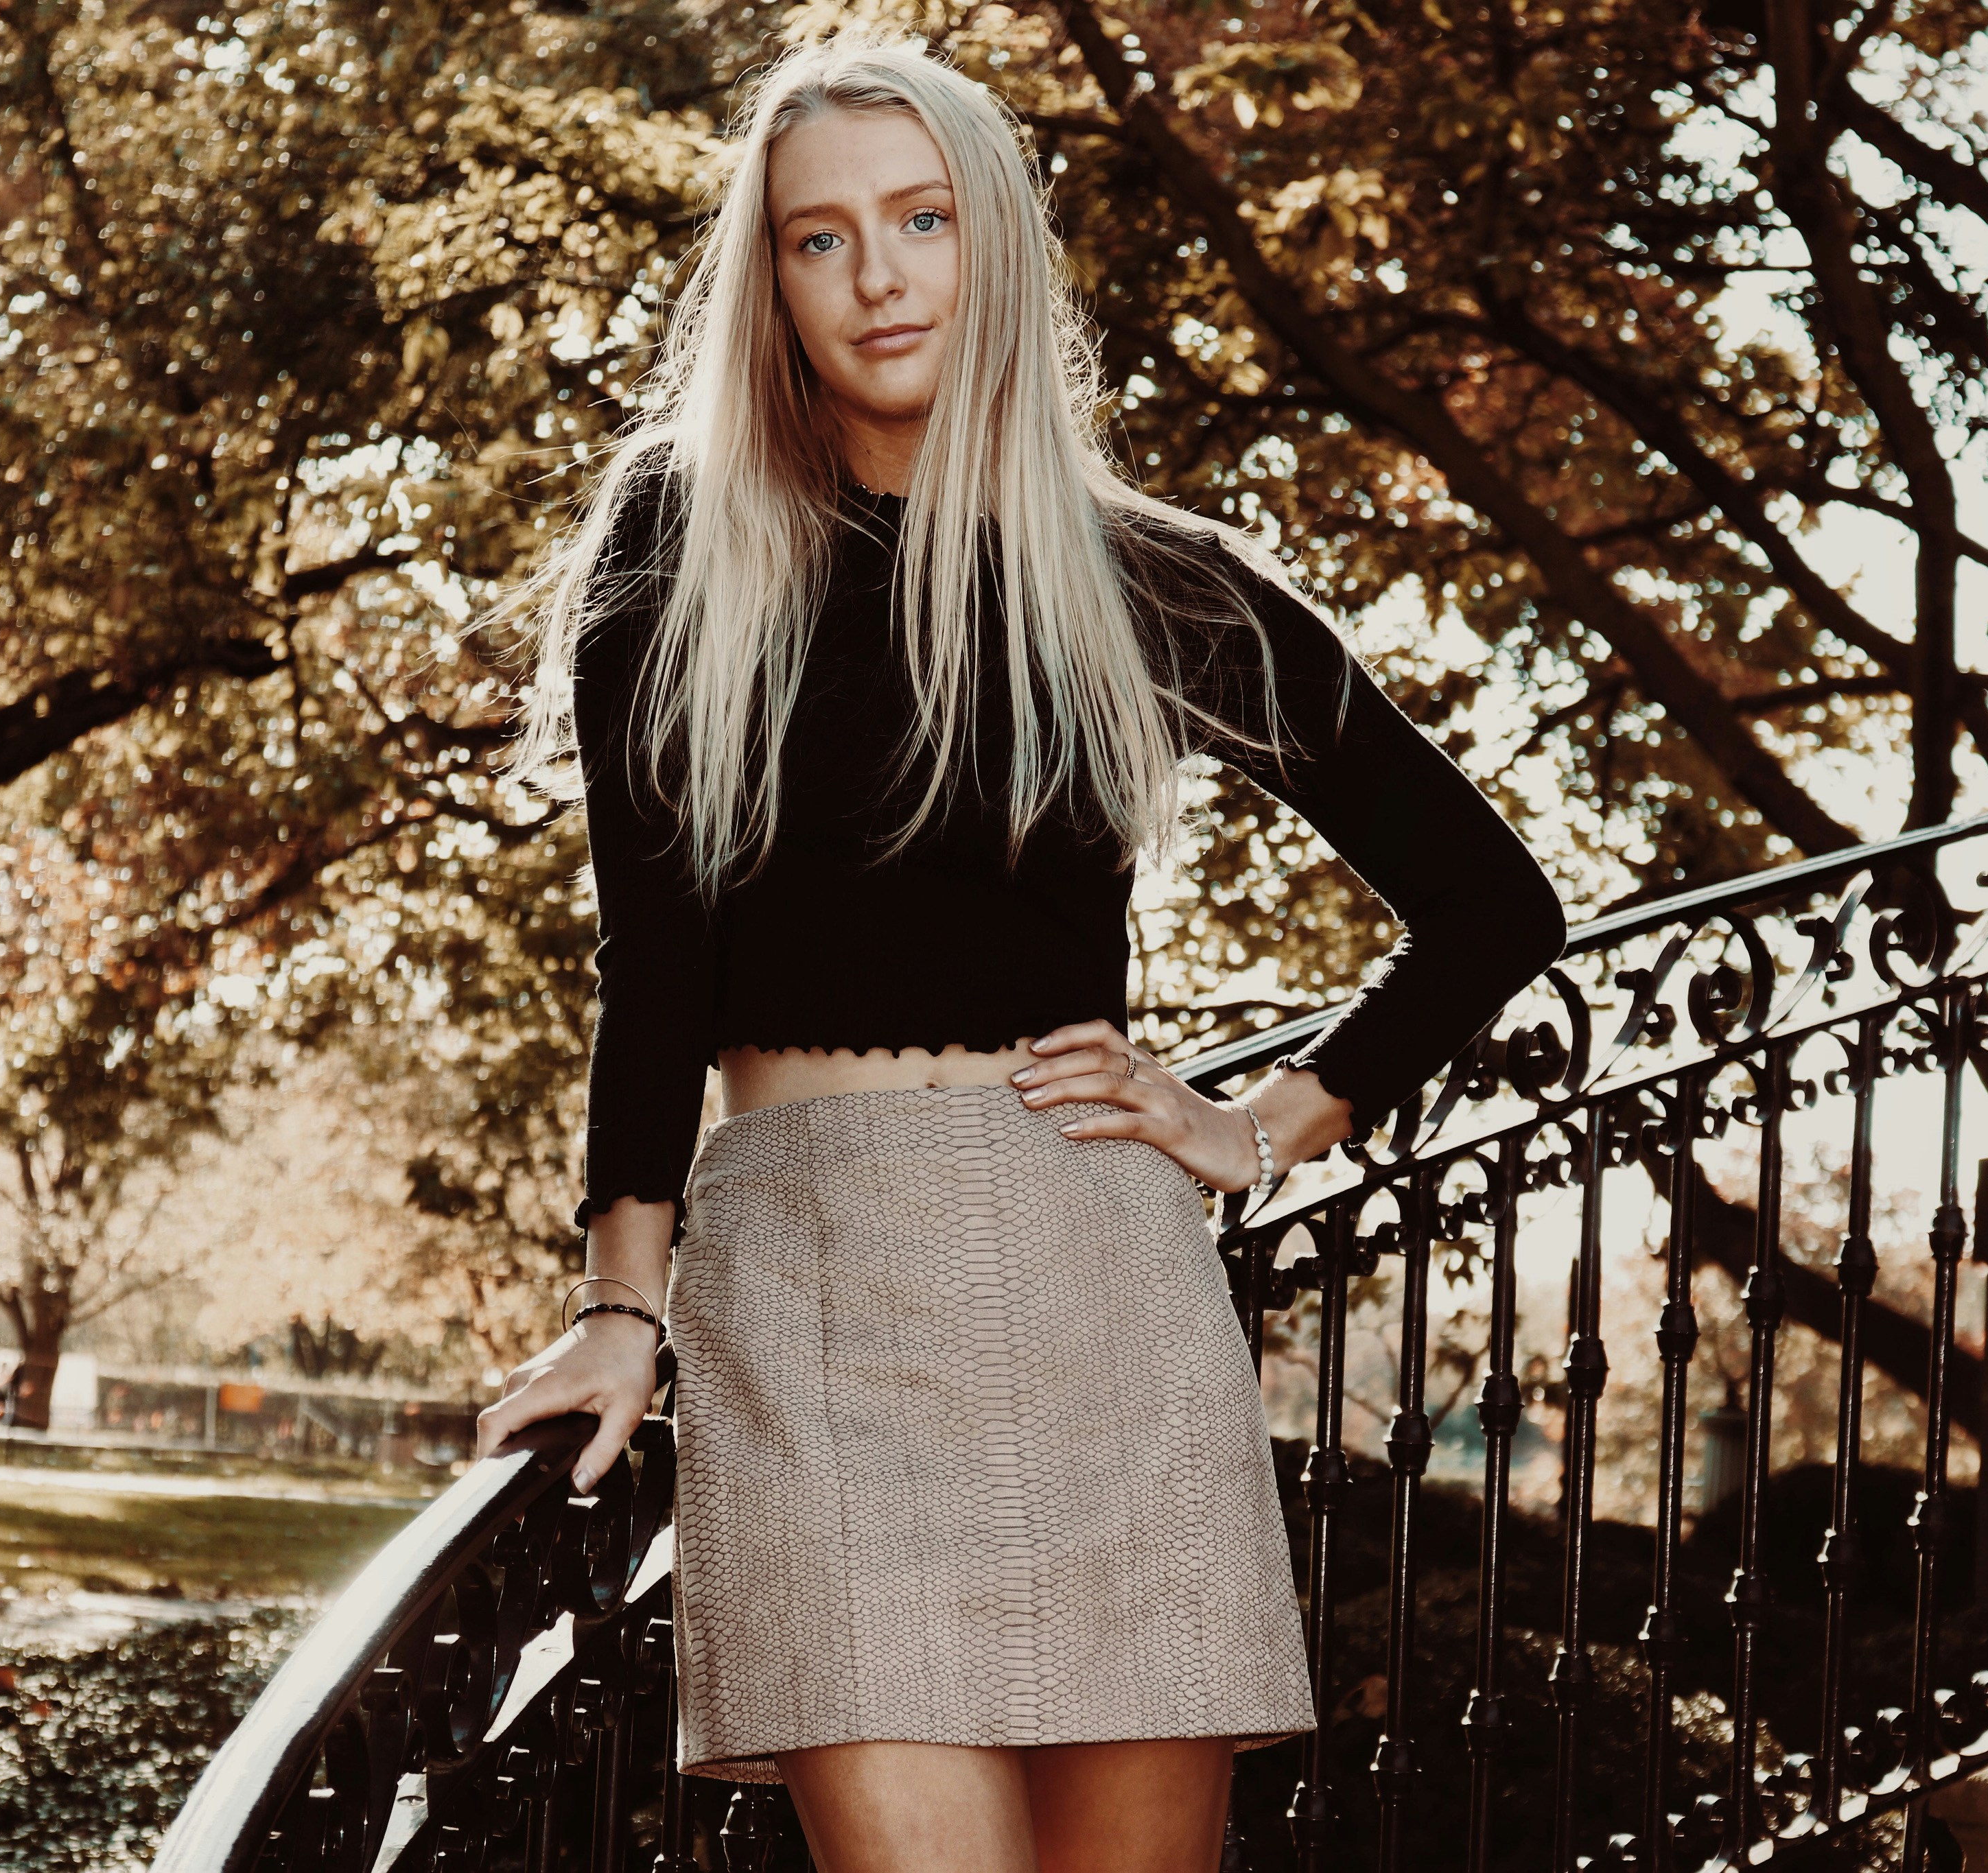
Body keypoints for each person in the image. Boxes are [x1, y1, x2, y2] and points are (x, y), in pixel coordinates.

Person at [476, 34, 1566, 1873]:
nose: (877, 277)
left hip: (1102, 1282)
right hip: (809, 1290)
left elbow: (1491, 902)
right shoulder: (682, 541)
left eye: (922, 220)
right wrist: (619, 1304)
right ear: (772, 281)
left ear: (994, 242)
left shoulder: (1144, 575)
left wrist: (1263, 1124)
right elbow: (652, 962)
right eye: (819, 238)